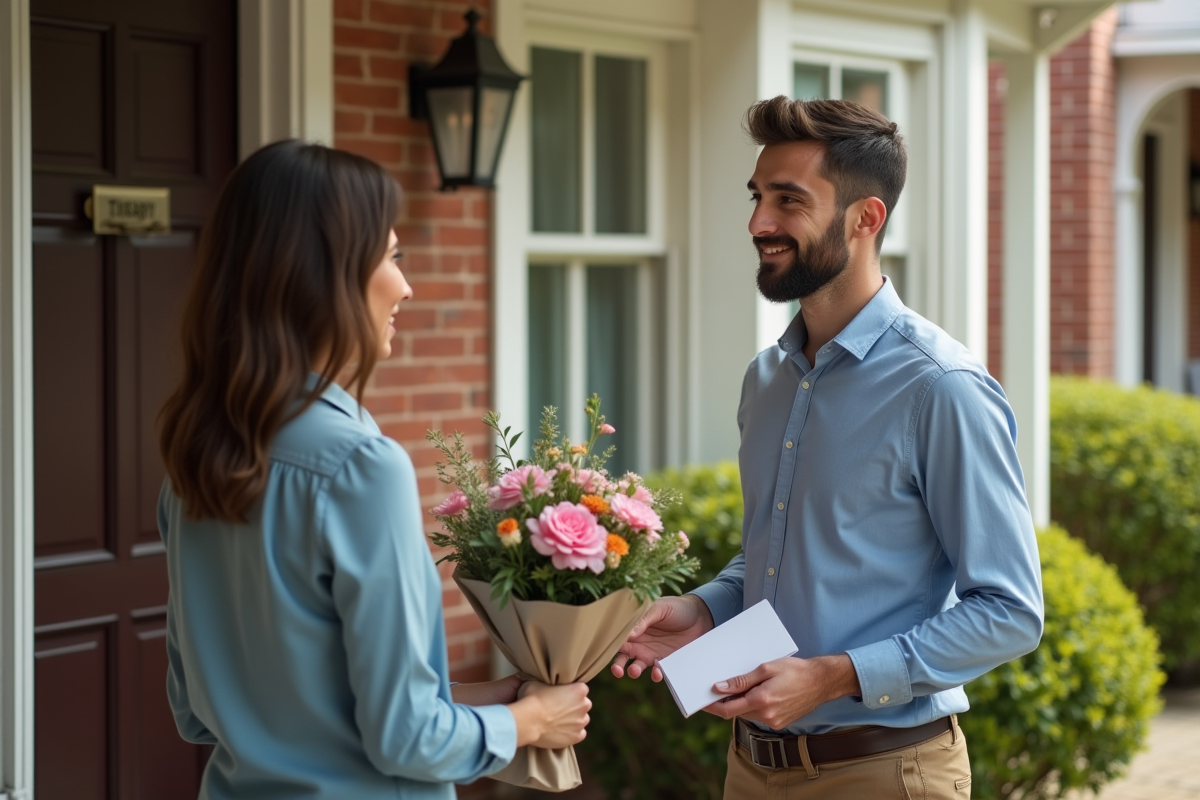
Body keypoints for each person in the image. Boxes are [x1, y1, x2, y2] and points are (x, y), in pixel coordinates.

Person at [612, 97, 1044, 799]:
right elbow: (776, 553)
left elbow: (1010, 612)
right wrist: (708, 608)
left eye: (789, 201)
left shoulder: (942, 388)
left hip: (885, 773)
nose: (758, 223)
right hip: (748, 770)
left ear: (865, 218)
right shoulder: (767, 379)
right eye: (757, 198)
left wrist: (834, 676)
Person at [157, 140, 590, 800]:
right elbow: (409, 740)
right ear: (321, 275)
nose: (406, 286)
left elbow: (199, 710)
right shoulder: (359, 465)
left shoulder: (194, 461)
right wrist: (527, 722)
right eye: (390, 257)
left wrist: (479, 698)